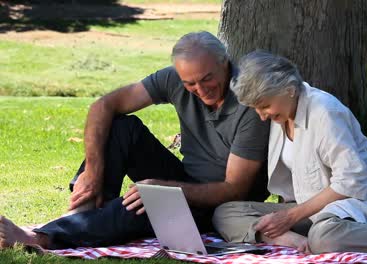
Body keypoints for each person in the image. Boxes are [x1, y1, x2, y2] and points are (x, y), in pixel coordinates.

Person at [0, 32, 270, 250]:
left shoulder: (250, 104)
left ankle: (41, 238)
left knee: (143, 202)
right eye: (190, 84)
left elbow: (234, 189)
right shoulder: (175, 78)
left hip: (223, 208)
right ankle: (83, 212)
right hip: (187, 178)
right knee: (121, 127)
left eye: (207, 78)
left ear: (225, 63)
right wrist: (94, 171)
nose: (200, 90)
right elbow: (104, 106)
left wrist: (161, 189)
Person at [213, 51, 367, 254]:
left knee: (323, 237)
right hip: (314, 209)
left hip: (362, 200)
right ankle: (286, 238)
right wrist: (287, 219)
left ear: (288, 89)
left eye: (264, 106)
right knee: (226, 212)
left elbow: (351, 182)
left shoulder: (324, 111)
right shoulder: (282, 112)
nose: (262, 115)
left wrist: (291, 215)